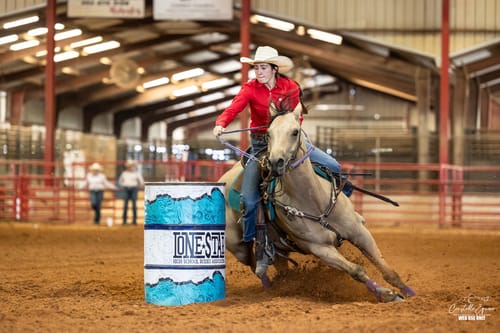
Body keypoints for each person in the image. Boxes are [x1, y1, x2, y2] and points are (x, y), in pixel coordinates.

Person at [212, 46, 353, 276]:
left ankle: (342, 216)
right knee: (248, 199)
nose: (258, 71)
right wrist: (221, 124)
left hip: (290, 143)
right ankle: (258, 246)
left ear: (274, 69)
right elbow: (234, 107)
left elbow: (298, 116)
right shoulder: (250, 89)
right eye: (256, 67)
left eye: (263, 67)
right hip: (262, 145)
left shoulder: (290, 87)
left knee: (334, 167)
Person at [118, 160, 144, 225]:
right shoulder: (124, 173)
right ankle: (124, 221)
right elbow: (120, 182)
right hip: (126, 189)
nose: (130, 167)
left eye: (131, 166)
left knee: (134, 205)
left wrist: (138, 185)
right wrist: (123, 185)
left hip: (134, 189)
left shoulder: (137, 174)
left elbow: (141, 183)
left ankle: (134, 221)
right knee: (125, 205)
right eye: (129, 166)